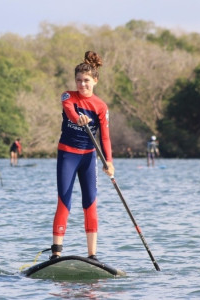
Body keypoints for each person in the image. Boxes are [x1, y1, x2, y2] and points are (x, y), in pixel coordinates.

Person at [50, 51, 114, 261]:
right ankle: (56, 254)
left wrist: (109, 162)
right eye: (78, 80)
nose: (82, 84)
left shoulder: (101, 107)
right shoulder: (67, 96)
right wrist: (78, 118)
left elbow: (104, 138)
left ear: (95, 81)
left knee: (90, 202)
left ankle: (93, 256)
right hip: (68, 155)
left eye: (86, 80)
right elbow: (70, 112)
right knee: (64, 200)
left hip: (88, 158)